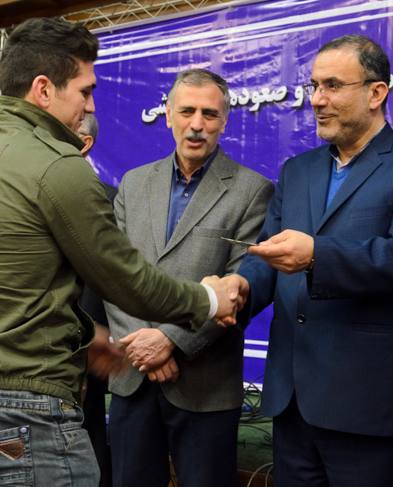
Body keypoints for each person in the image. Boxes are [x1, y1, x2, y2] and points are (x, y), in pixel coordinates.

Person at [0, 17, 240, 487]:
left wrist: (82, 334)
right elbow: (126, 280)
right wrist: (210, 300)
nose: (90, 106)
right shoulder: (56, 165)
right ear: (43, 90)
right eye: (85, 91)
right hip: (24, 410)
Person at [223, 34, 393, 487]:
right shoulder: (297, 171)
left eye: (332, 85)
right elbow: (270, 252)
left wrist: (316, 256)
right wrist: (242, 286)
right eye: (313, 86)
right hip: (292, 403)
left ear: (376, 93)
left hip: (368, 406)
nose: (316, 99)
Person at [105, 68, 274, 487]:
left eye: (209, 114)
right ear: (168, 115)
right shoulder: (133, 183)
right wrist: (143, 348)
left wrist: (169, 341)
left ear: (224, 121)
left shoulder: (253, 191)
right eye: (187, 111)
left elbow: (239, 286)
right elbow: (112, 274)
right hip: (132, 377)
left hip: (205, 386)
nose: (197, 124)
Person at [76, 114, 117, 487]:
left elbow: (110, 281)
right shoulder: (25, 190)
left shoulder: (112, 202)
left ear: (84, 142)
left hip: (87, 349)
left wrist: (85, 344)